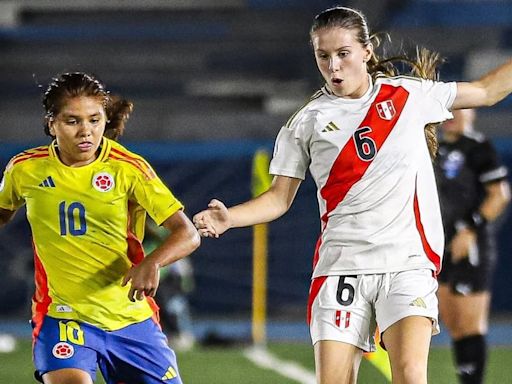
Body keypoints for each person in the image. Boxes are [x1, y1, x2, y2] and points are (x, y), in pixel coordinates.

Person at [193, 6, 512, 384]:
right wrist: (230, 217)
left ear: (366, 50)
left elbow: (488, 91)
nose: (334, 66)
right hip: (342, 265)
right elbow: (278, 199)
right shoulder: (305, 123)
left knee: (411, 375)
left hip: (406, 262)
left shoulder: (408, 95)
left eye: (343, 53)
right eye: (323, 56)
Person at [0, 72, 200, 384]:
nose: (86, 131)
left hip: (130, 316)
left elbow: (187, 233)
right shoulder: (25, 169)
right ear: (51, 124)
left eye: (94, 120)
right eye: (72, 121)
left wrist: (151, 262)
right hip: (62, 315)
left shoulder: (128, 168)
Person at [435, 109, 510, 384]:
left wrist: (469, 228)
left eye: (460, 109)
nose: (453, 115)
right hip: (441, 246)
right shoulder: (436, 148)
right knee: (453, 324)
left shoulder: (478, 148)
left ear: (473, 113)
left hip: (471, 247)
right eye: (449, 109)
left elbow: (499, 195)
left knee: (469, 325)